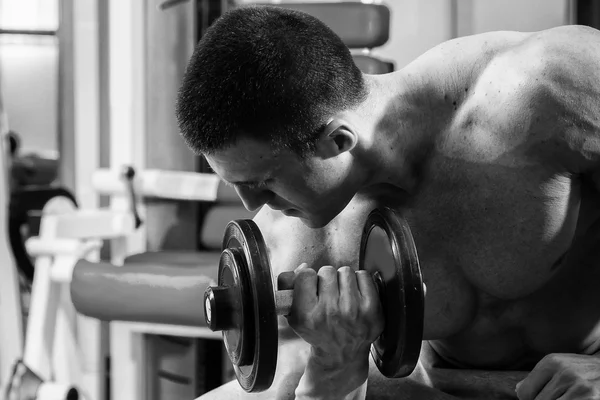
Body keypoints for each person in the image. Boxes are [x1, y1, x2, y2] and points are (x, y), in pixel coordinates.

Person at [176, 5, 600, 400]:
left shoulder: (548, 87)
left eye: (265, 182)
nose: (253, 207)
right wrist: (334, 364)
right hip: (435, 383)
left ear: (337, 142)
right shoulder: (297, 242)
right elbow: (305, 385)